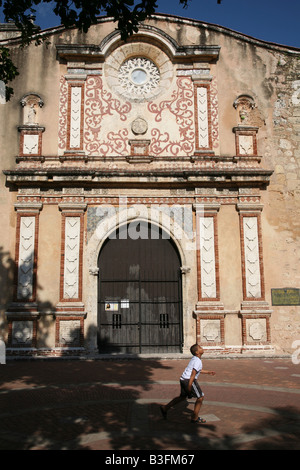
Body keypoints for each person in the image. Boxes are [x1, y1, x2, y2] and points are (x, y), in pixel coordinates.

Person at [160, 344, 215, 424]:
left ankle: (165, 408)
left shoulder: (194, 358)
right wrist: (189, 386)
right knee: (200, 397)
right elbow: (193, 374)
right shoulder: (197, 361)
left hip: (183, 379)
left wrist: (208, 372)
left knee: (182, 397)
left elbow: (197, 370)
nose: (202, 348)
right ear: (197, 352)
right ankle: (194, 418)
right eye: (200, 348)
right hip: (188, 380)